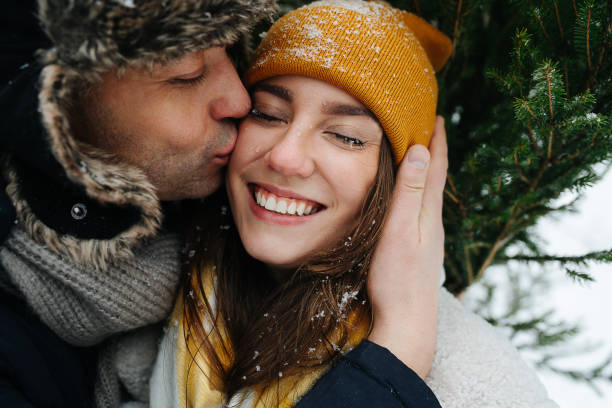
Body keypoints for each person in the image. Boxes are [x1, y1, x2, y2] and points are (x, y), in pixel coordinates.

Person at [150, 2, 560, 408]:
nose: (284, 156)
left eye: (346, 136)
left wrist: (396, 350)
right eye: (268, 114)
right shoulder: (154, 296)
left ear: (401, 185)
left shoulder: (480, 385)